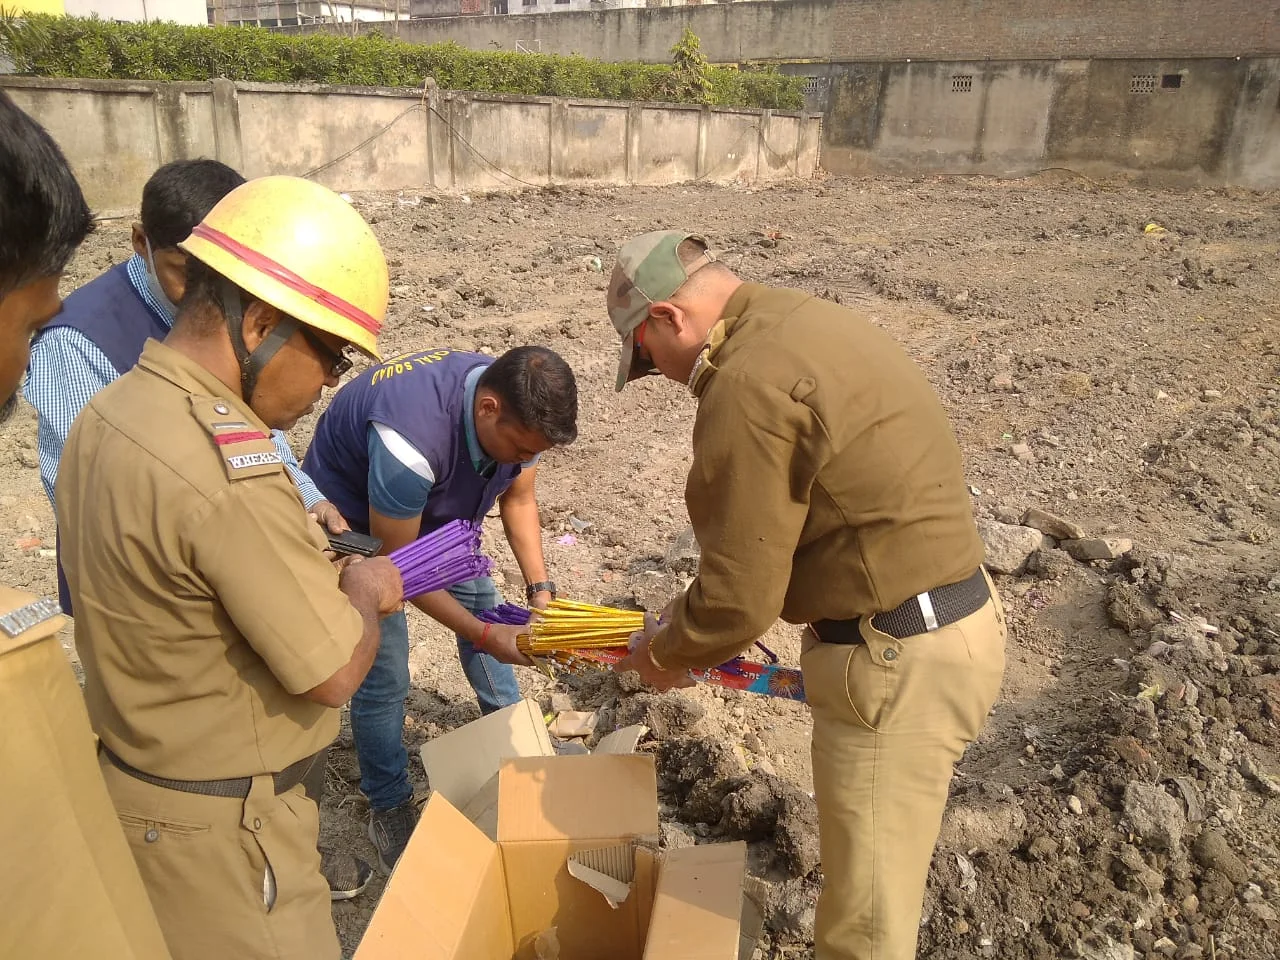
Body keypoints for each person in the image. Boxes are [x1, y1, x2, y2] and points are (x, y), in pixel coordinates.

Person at [606, 231, 1007, 960]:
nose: (657, 372)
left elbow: (739, 598)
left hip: (896, 664)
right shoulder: (802, 321)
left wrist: (665, 653)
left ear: (667, 317)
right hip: (952, 622)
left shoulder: (745, 382)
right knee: (874, 892)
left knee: (865, 931)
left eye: (645, 354)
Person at [57, 174, 405, 960]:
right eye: (331, 357)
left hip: (138, 797)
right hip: (227, 843)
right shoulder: (225, 469)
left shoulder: (109, 413)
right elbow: (333, 673)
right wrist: (363, 589)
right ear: (260, 323)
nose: (328, 386)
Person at [0, 89, 171, 960]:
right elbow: (83, 478)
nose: (28, 356)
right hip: (121, 578)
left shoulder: (209, 315)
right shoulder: (80, 335)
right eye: (29, 327)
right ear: (144, 246)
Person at [25, 158, 346, 613]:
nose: (207, 292)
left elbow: (252, 424)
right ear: (142, 242)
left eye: (224, 273)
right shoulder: (77, 341)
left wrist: (305, 499)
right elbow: (92, 492)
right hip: (144, 595)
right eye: (187, 273)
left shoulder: (241, 307)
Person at [302, 344, 578, 873]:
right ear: (488, 409)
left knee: (489, 614)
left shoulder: (520, 408)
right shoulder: (408, 443)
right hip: (364, 533)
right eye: (520, 449)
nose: (523, 459)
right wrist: (481, 634)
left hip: (438, 516)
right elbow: (399, 568)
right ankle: (387, 801)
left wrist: (540, 590)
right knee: (384, 673)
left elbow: (519, 499)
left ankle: (518, 749)